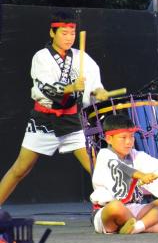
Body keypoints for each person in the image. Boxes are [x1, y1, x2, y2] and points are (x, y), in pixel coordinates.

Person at [0, 11, 109, 205]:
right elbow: (46, 88)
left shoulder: (81, 56)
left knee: (96, 169)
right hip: (44, 120)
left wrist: (99, 91)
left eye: (72, 33)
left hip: (71, 120)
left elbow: (94, 85)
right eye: (64, 33)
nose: (69, 38)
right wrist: (71, 87)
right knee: (20, 169)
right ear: (52, 33)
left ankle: (111, 210)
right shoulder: (41, 57)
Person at [91, 114, 158, 234]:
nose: (129, 142)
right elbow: (120, 167)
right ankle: (147, 225)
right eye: (123, 137)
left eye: (131, 137)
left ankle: (137, 227)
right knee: (116, 207)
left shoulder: (135, 155)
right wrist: (142, 176)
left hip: (133, 209)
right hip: (108, 211)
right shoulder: (104, 154)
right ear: (109, 139)